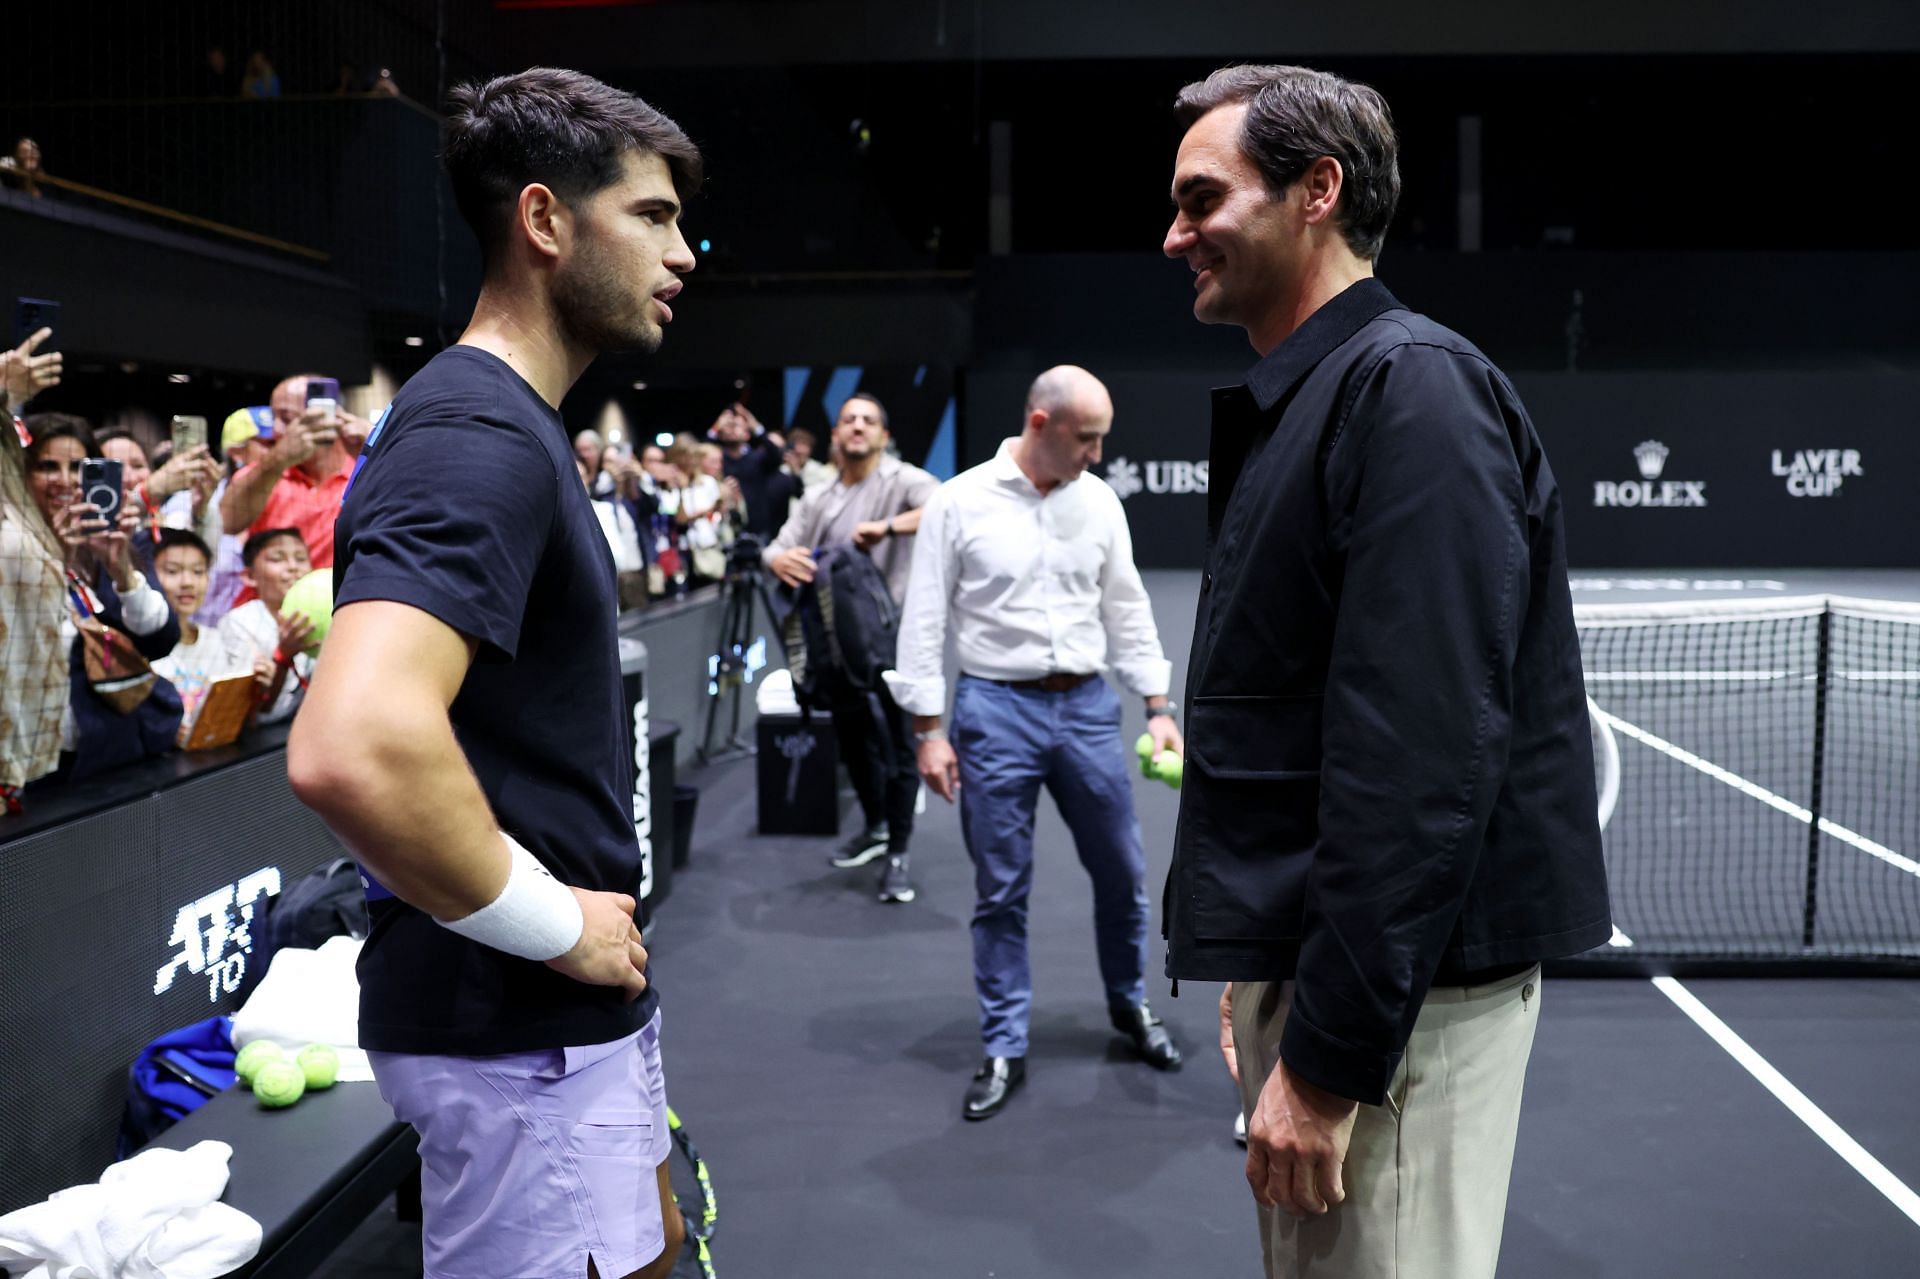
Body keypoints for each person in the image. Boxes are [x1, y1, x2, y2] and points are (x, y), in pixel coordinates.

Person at [1159, 65, 1610, 1278]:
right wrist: (1268, 955)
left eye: (1203, 199)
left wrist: (1330, 1051)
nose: (1174, 235)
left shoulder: (1410, 393)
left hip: (1393, 1017)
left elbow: (1417, 761)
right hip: (1335, 985)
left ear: (1319, 190)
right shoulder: (1330, 392)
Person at [286, 67, 701, 1279]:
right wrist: (553, 924)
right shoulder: (475, 434)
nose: (683, 256)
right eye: (653, 217)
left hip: (547, 1028)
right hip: (515, 1032)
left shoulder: (504, 424)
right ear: (543, 221)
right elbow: (352, 741)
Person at [889, 366, 1183, 1119]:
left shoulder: (1101, 503)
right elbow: (922, 620)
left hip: (1086, 706)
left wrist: (1156, 703)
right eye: (1087, 437)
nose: (1097, 452)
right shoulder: (959, 502)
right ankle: (1003, 1041)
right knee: (1001, 887)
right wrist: (928, 730)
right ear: (1040, 422)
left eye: (1102, 438)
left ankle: (1129, 1006)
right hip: (994, 711)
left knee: (1124, 870)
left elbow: (1127, 605)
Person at [764, 393, 938, 902]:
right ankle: (877, 824)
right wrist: (779, 561)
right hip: (837, 645)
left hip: (897, 637)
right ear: (836, 436)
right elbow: (778, 543)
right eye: (848, 420)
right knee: (853, 738)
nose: (857, 426)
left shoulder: (902, 480)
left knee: (902, 746)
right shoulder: (820, 497)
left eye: (868, 420)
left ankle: (900, 852)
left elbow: (947, 509)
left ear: (883, 435)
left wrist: (888, 527)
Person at [22, 415, 183, 781]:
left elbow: (161, 640)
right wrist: (56, 558)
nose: (64, 480)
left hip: (119, 745)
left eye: (78, 466)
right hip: (39, 760)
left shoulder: (116, 539)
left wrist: (121, 569)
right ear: (22, 473)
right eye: (48, 466)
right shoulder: (11, 548)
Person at [220, 374, 370, 601]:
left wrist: (378, 447)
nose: (276, 430)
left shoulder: (362, 475)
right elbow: (227, 522)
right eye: (273, 418)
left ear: (329, 416)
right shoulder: (263, 473)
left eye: (286, 418)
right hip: (268, 619)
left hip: (339, 611)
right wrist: (278, 459)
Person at [215, 527, 315, 725]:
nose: (293, 567)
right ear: (250, 576)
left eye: (301, 558)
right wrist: (283, 657)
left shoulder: (321, 614)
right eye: (278, 559)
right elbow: (258, 711)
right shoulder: (238, 623)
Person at [149, 529, 234, 728]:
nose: (187, 583)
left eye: (198, 572)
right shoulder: (139, 650)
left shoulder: (217, 641)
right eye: (172, 571)